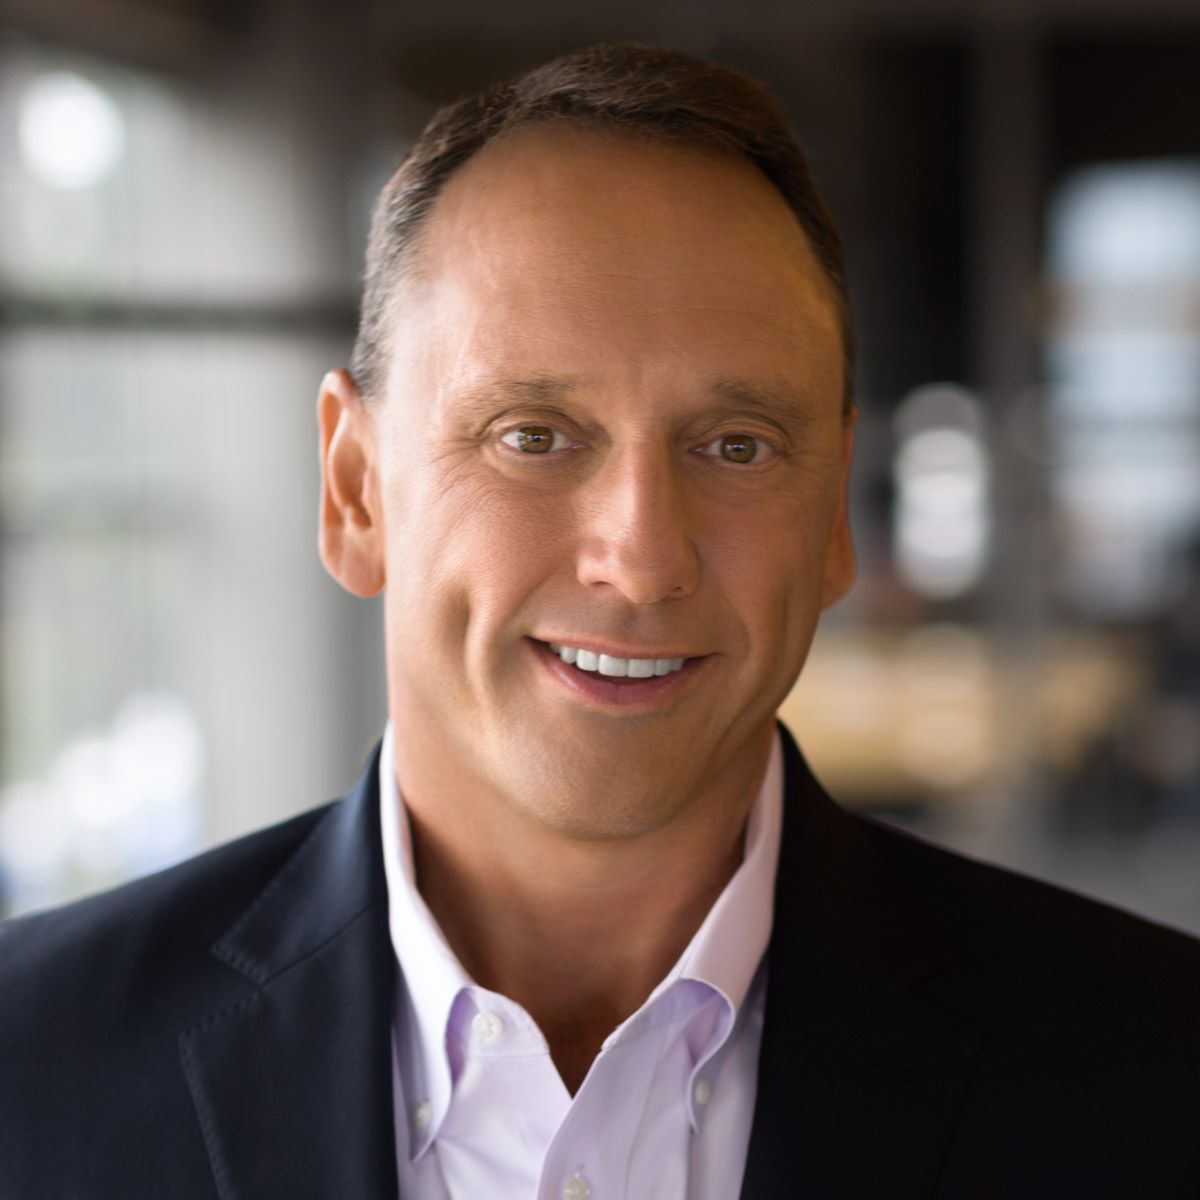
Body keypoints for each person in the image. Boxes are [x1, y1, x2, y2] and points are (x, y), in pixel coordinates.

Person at [2, 41, 1199, 1200]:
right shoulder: (27, 1070)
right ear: (356, 490)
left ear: (834, 512)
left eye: (737, 446)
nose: (640, 559)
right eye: (533, 435)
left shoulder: (1161, 1079)